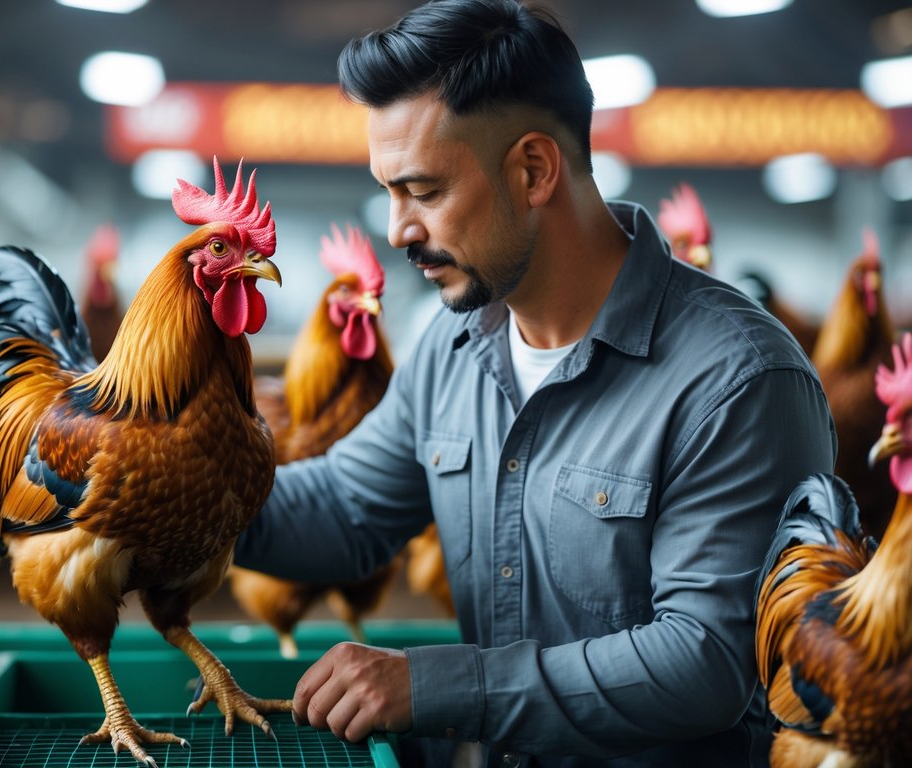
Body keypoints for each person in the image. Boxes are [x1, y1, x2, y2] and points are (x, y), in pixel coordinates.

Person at [232, 0, 836, 765]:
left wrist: (444, 688)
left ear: (532, 170)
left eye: (422, 191)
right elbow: (349, 508)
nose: (397, 231)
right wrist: (165, 497)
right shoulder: (450, 344)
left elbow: (705, 661)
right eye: (390, 193)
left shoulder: (734, 380)